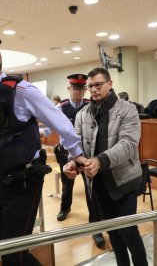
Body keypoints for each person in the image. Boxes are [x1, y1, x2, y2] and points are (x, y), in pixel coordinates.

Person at [0, 33, 87, 266]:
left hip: (24, 183)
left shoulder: (22, 91)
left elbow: (61, 123)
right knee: (10, 250)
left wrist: (77, 156)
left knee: (13, 255)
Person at [64, 68, 148, 266]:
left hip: (124, 180)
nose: (93, 89)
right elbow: (77, 145)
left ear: (110, 84)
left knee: (128, 230)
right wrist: (72, 161)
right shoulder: (82, 114)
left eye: (98, 85)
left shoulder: (127, 109)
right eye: (90, 86)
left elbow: (128, 145)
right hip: (98, 183)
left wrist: (101, 160)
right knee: (112, 231)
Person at [54, 74, 105, 247]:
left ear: (84, 90)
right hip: (67, 153)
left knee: (91, 189)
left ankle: (96, 228)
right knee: (67, 184)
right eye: (74, 88)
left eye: (81, 88)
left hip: (86, 154)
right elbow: (59, 131)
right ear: (69, 89)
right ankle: (64, 208)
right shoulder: (62, 107)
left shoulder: (90, 106)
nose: (78, 92)